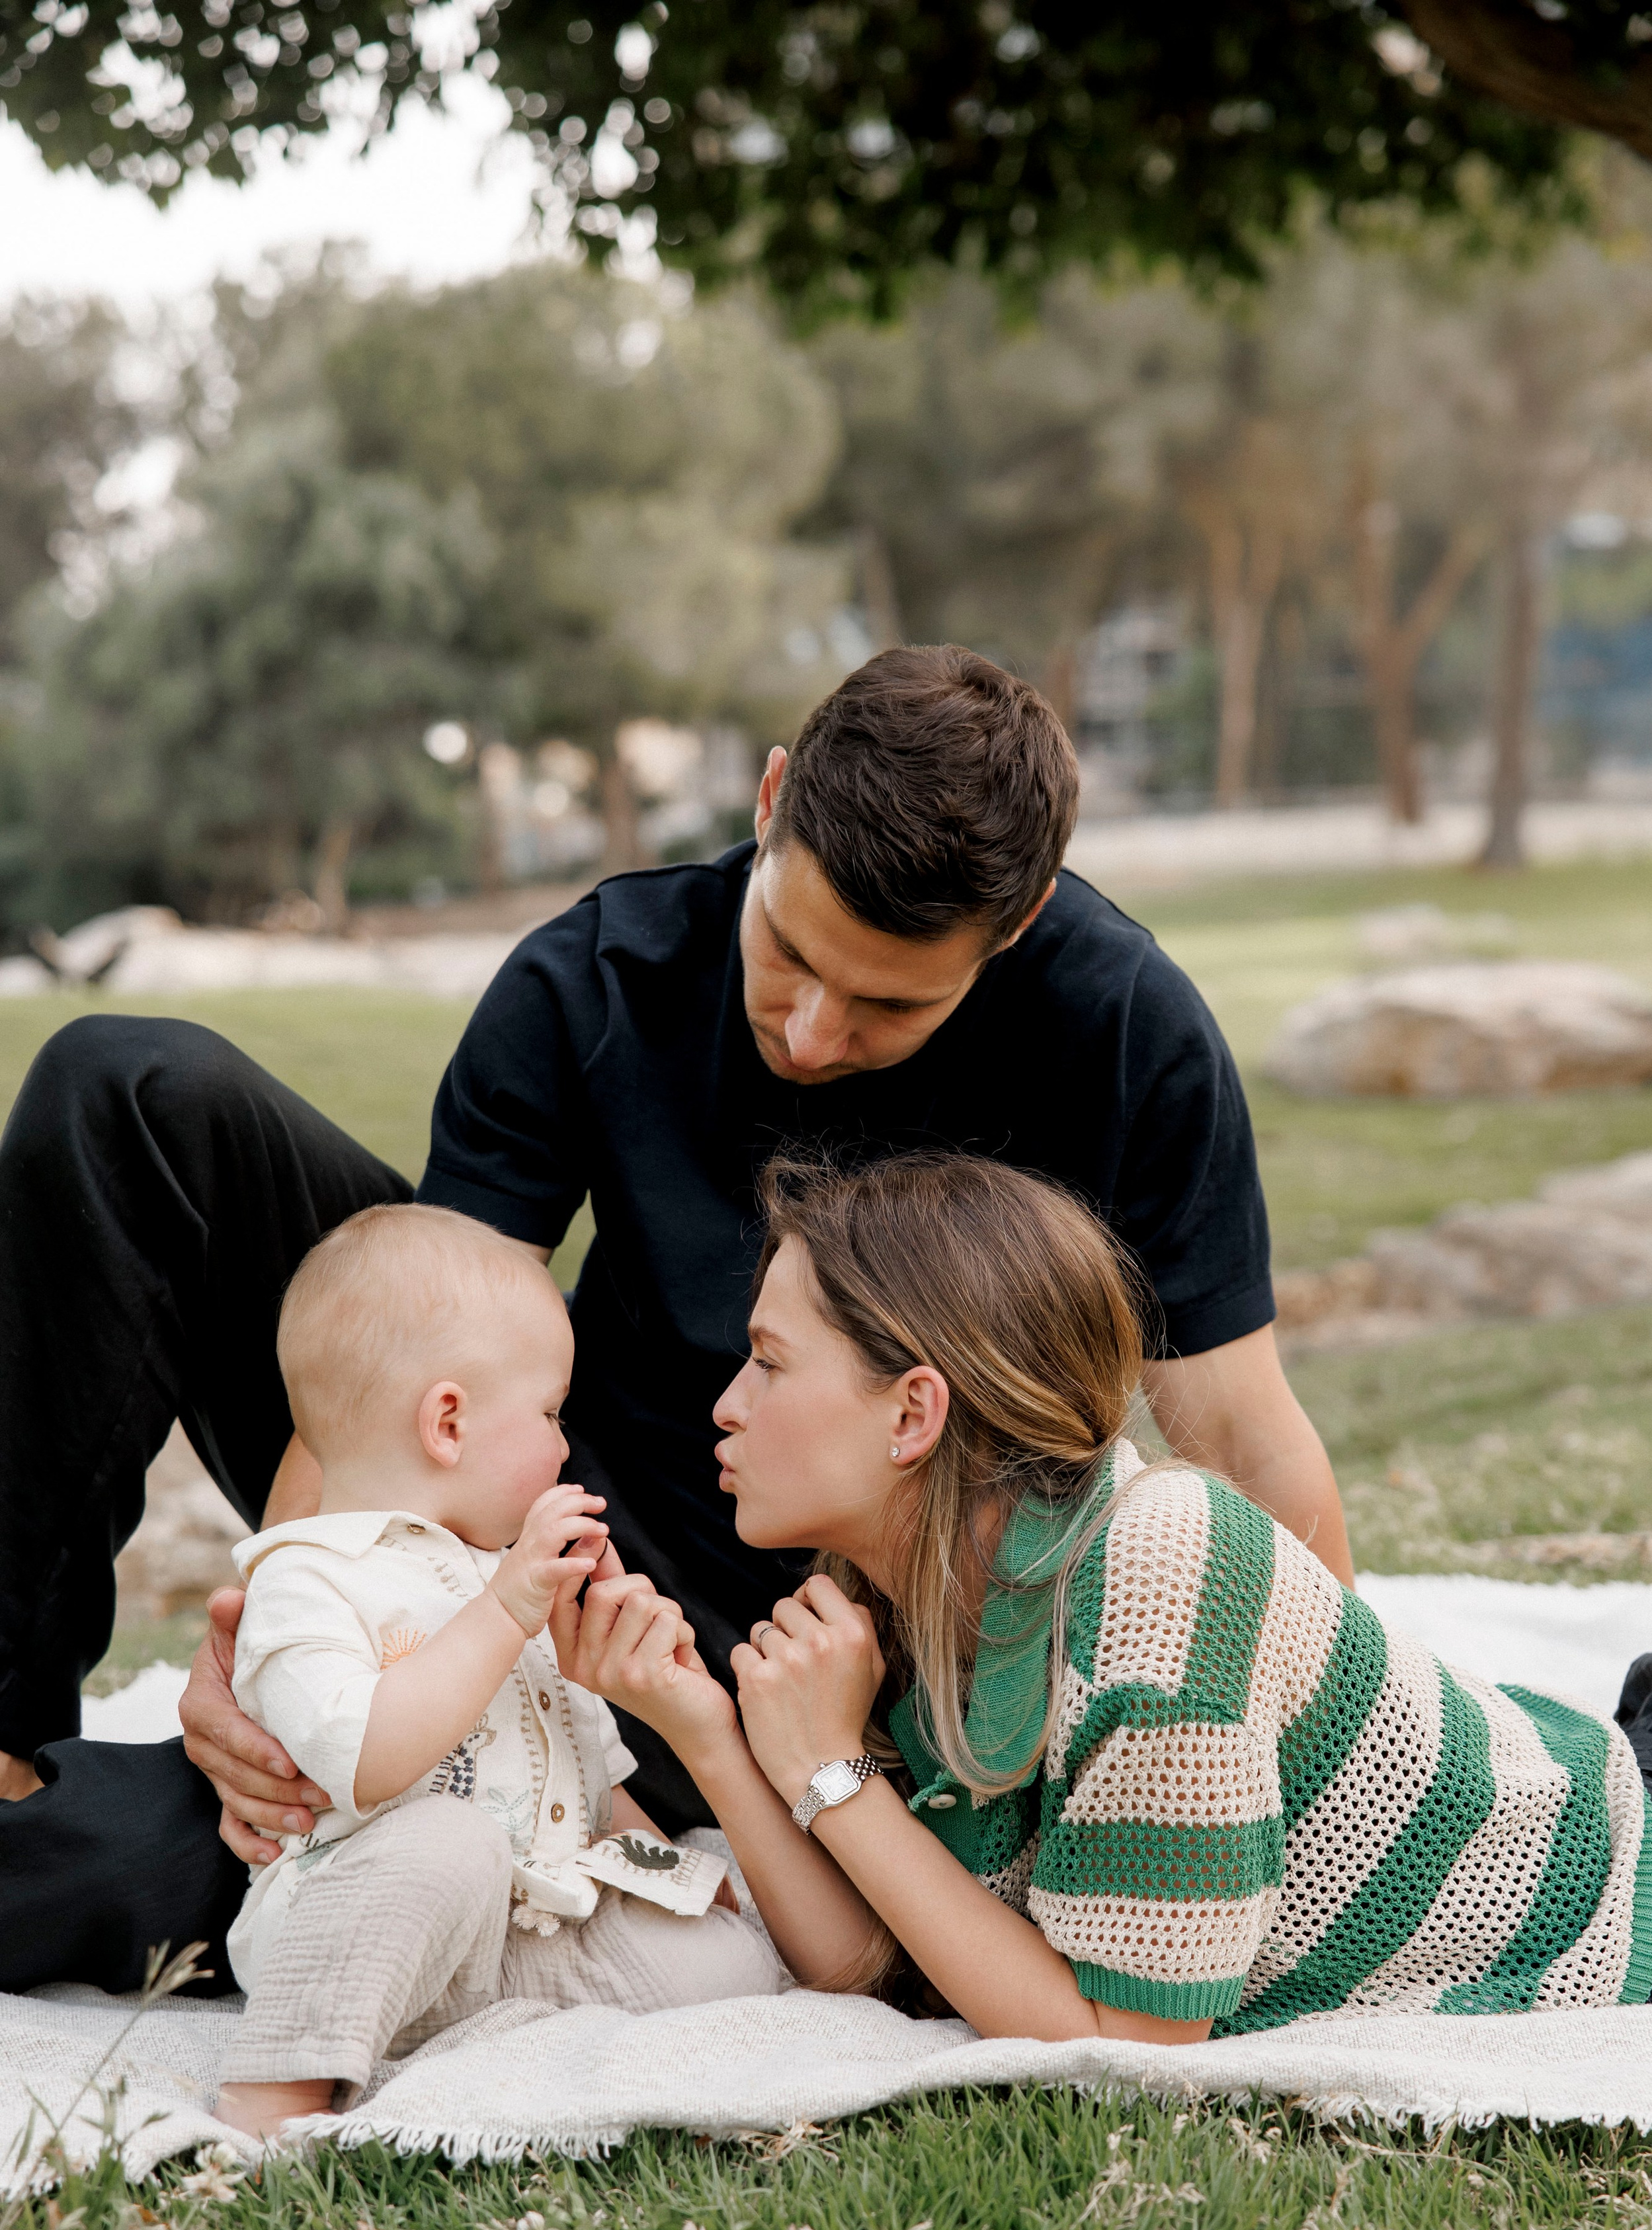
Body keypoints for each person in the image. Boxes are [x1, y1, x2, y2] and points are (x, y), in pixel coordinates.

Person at [0, 642, 1346, 1989]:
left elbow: (1239, 1440)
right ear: (768, 804)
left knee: (314, 1857)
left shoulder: (1126, 1030)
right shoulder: (595, 975)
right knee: (127, 1088)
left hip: (826, 1658)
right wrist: (294, 1646)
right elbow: (420, 1367)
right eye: (787, 955)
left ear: (1018, 923)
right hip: (553, 1535)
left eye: (888, 1005)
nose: (811, 1036)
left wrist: (1319, 1779)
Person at [571, 1152, 1652, 2038]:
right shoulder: (898, 1591)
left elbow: (1126, 2041)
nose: (724, 1404)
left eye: (768, 1362)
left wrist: (833, 1777)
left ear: (913, 1415)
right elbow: (876, 1959)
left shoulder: (1158, 1577)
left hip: (1631, 1889)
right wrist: (714, 1736)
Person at [216, 1203, 778, 2139]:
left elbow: (597, 1778)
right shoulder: (308, 1575)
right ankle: (272, 2091)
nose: (566, 1444)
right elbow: (366, 1759)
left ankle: (507, 2033)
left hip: (524, 1933)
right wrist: (504, 1612)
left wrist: (670, 1872)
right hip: (364, 1923)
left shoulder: (503, 1574)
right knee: (447, 1843)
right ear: (448, 1422)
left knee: (731, 1958)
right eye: (553, 1415)